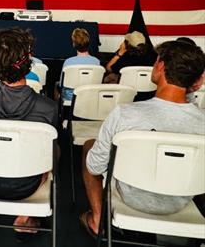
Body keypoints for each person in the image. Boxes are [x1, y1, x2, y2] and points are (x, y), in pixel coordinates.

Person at [80, 40, 205, 237]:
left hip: (131, 198)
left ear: (161, 66)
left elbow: (95, 167)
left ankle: (97, 219)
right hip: (179, 202)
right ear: (198, 80)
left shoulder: (124, 114)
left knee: (90, 148)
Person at [0, 28, 58, 233]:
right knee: (53, 150)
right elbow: (48, 157)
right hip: (26, 185)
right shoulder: (47, 108)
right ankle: (24, 216)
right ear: (29, 61)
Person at [56, 28, 101, 102]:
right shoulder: (96, 62)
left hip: (70, 97)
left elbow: (62, 84)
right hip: (91, 97)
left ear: (74, 44)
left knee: (56, 85)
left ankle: (59, 112)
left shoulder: (68, 62)